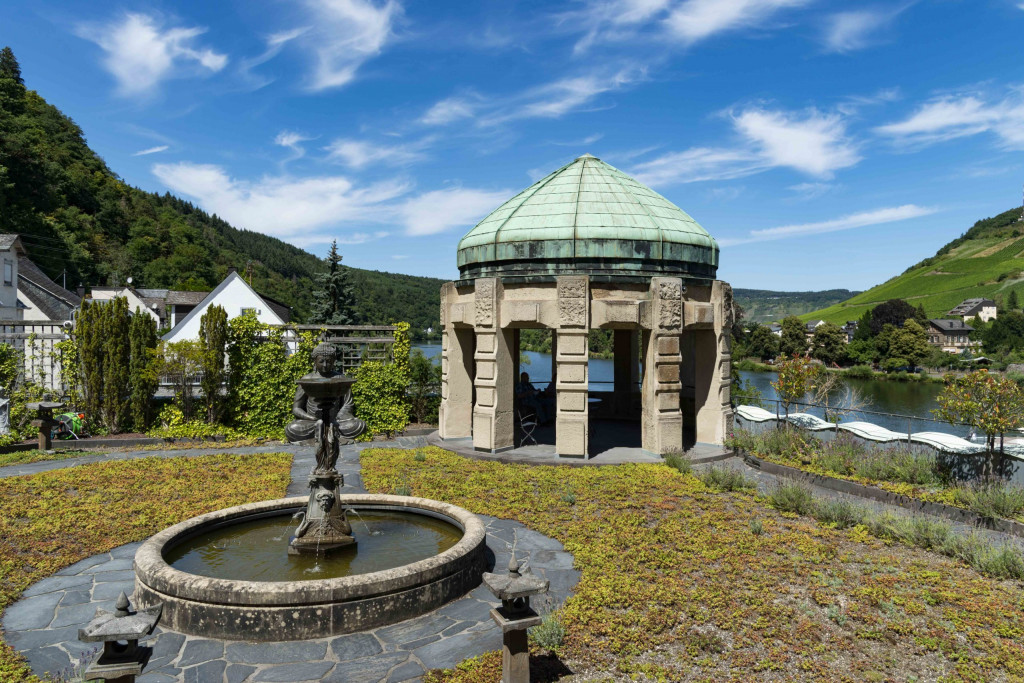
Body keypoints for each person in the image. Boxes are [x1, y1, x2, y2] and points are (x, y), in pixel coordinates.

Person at [285, 342, 366, 444]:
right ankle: (325, 430)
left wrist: (336, 419)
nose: (325, 365)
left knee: (359, 424)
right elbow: (296, 408)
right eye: (321, 361)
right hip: (313, 421)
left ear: (333, 362)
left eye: (328, 362)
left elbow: (348, 404)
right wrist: (311, 418)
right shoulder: (307, 379)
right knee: (291, 428)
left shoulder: (340, 378)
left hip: (336, 420)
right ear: (315, 361)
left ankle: (329, 429)